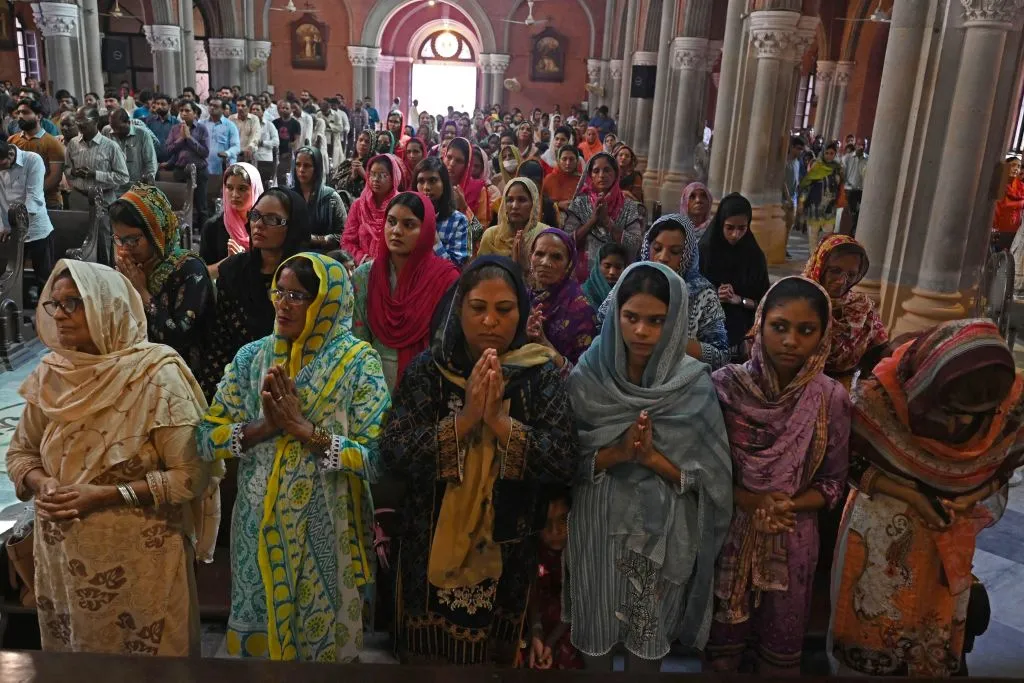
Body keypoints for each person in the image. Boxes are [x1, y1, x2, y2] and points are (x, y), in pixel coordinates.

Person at [6, 260, 220, 655]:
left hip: (140, 561)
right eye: (54, 304)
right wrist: (43, 482)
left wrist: (105, 495)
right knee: (77, 662)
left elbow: (190, 476)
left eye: (74, 303)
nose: (60, 315)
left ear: (107, 305)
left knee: (147, 664)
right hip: (65, 560)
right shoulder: (54, 372)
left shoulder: (156, 375)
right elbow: (21, 451)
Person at [380, 256, 579, 665]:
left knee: (496, 660)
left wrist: (502, 425)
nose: (491, 321)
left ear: (521, 313)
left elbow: (564, 459)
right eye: (478, 308)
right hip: (429, 543)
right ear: (459, 308)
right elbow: (393, 451)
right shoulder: (429, 371)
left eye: (504, 310)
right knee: (428, 666)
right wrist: (466, 420)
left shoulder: (537, 376)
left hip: (508, 549)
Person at [198, 252, 391, 661]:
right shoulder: (252, 358)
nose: (284, 303)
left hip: (327, 530)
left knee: (322, 651)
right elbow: (202, 438)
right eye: (280, 292)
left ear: (328, 302)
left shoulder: (359, 363)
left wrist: (307, 432)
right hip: (256, 529)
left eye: (299, 295)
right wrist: (262, 428)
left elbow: (377, 459)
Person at [829, 319, 1024, 676]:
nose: (959, 423)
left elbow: (1001, 467)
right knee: (873, 619)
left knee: (929, 624)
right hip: (881, 525)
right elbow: (848, 465)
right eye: (951, 409)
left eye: (974, 415)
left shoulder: (1009, 402)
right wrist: (913, 497)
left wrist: (971, 497)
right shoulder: (881, 398)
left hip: (947, 532)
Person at [564, 261, 733, 671]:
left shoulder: (693, 385)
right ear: (615, 315)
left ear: (675, 323)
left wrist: (655, 461)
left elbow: (712, 482)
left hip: (661, 534)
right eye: (631, 317)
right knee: (597, 638)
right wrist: (617, 454)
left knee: (647, 644)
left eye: (656, 321)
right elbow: (564, 460)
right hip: (597, 524)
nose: (641, 332)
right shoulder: (589, 376)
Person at [707, 276, 851, 674]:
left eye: (806, 331)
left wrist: (787, 503)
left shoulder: (830, 398)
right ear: (760, 324)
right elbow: (705, 472)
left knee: (778, 658)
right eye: (780, 327)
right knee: (722, 657)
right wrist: (754, 501)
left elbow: (833, 483)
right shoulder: (725, 388)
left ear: (822, 336)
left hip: (792, 536)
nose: (791, 341)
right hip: (729, 530)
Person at [196, 187, 311, 401]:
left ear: (293, 226)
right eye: (256, 215)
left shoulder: (309, 276)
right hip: (237, 383)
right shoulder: (233, 271)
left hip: (296, 390)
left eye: (272, 219)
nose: (258, 224)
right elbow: (219, 342)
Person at [352, 191, 459, 390]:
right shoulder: (365, 276)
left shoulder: (445, 279)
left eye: (409, 225)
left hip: (426, 386)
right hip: (369, 384)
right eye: (391, 222)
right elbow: (358, 340)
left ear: (426, 229)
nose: (396, 231)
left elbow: (447, 344)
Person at [110, 184, 214, 373]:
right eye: (119, 240)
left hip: (182, 374)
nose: (124, 248)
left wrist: (142, 292)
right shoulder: (131, 267)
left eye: (133, 240)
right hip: (138, 365)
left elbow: (178, 339)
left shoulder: (190, 270)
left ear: (156, 232)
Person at [802, 234, 888, 386]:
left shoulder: (861, 307)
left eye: (852, 275)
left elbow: (879, 350)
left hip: (843, 390)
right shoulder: (795, 299)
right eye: (835, 271)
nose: (842, 281)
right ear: (819, 266)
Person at [699, 193, 770, 355]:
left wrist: (739, 300)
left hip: (744, 332)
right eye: (729, 228)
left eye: (742, 228)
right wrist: (713, 295)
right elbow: (689, 293)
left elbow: (764, 302)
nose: (735, 235)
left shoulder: (754, 256)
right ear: (720, 224)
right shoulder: (705, 252)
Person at [522, 489, 582, 670]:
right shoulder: (534, 552)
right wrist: (536, 632)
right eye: (547, 523)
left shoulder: (580, 552)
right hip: (538, 623)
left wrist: (550, 642)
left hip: (572, 625)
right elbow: (532, 593)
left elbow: (575, 605)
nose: (554, 530)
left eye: (563, 520)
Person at [563, 152, 644, 281]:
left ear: (616, 173)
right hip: (582, 278)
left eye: (607, 170)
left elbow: (635, 244)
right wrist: (593, 220)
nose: (602, 175)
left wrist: (607, 222)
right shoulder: (580, 203)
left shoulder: (629, 206)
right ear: (590, 176)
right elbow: (566, 241)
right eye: (596, 171)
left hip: (617, 278)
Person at [64, 106, 130, 263]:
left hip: (103, 198)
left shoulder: (110, 146)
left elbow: (123, 177)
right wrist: (73, 173)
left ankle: (107, 271)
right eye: (77, 122)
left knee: (104, 240)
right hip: (79, 197)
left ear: (95, 122)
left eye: (84, 122)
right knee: (79, 238)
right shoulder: (73, 143)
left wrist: (95, 174)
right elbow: (66, 168)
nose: (80, 126)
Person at [526, 227, 599, 367]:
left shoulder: (580, 309)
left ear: (569, 264)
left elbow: (584, 376)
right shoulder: (523, 297)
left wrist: (544, 343)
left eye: (556, 257)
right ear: (531, 257)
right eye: (539, 254)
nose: (545, 262)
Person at [0, 140, 56, 283]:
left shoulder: (32, 160)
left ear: (11, 154)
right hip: (11, 231)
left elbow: (34, 197)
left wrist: (17, 225)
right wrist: (4, 226)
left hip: (36, 229)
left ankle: (46, 305)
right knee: (12, 278)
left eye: (3, 165)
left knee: (44, 278)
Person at [200, 162, 264, 276]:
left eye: (242, 188)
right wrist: (230, 262)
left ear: (254, 189)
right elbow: (203, 273)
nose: (235, 194)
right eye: (229, 188)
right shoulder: (213, 226)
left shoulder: (264, 225)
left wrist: (245, 259)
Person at [342, 153, 402, 265]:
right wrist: (365, 259)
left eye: (382, 175)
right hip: (362, 268)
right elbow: (347, 241)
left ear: (393, 177)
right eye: (372, 174)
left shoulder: (400, 205)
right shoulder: (359, 205)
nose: (375, 179)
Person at [478, 177, 548, 270]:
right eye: (510, 200)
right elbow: (481, 274)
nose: (514, 206)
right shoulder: (491, 236)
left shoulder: (544, 235)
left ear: (533, 203)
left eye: (522, 200)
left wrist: (525, 264)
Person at [8, 97, 65, 210]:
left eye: (25, 112)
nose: (20, 116)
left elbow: (54, 177)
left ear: (38, 116)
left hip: (48, 202)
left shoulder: (52, 143)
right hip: (18, 202)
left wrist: (31, 193)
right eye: (18, 112)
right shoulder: (11, 141)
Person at [413, 156, 471, 266]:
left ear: (444, 183)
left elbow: (457, 269)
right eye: (421, 181)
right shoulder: (410, 216)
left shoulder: (459, 221)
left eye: (432, 181)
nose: (426, 187)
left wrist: (434, 239)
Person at [163, 101, 211, 230]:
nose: (184, 113)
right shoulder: (175, 129)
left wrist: (189, 138)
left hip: (199, 170)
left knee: (201, 206)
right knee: (182, 203)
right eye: (181, 111)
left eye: (187, 111)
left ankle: (203, 233)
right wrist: (181, 139)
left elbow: (205, 152)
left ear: (195, 113)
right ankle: (183, 232)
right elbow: (168, 150)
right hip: (180, 171)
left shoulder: (202, 129)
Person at [291, 145, 347, 250]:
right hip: (292, 257)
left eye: (307, 166)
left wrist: (317, 239)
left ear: (316, 168)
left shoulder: (331, 198)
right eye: (298, 165)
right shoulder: (289, 196)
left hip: (324, 257)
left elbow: (344, 234)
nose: (301, 170)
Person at [799, 143, 844, 247]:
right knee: (813, 238)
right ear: (823, 153)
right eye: (826, 153)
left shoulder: (837, 169)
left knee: (826, 239)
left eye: (832, 153)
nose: (829, 156)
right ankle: (812, 261)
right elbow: (807, 186)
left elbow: (839, 187)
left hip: (830, 209)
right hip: (815, 208)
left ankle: (821, 260)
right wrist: (801, 202)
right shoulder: (817, 167)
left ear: (835, 154)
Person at [106, 108, 158, 190]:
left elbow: (150, 162)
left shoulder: (142, 134)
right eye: (113, 128)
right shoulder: (107, 131)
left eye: (119, 128)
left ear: (128, 123)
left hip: (136, 186)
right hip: (114, 185)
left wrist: (149, 180)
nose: (115, 131)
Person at [444, 137, 490, 223]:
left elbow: (481, 229)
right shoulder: (436, 183)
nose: (452, 163)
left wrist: (464, 207)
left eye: (459, 161)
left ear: (467, 166)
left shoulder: (478, 189)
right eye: (449, 157)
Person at [581, 241, 628, 311]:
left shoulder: (628, 294)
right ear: (598, 266)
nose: (612, 272)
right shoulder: (583, 293)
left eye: (618, 267)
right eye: (607, 266)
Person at [202, 97, 240, 179]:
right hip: (204, 166)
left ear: (223, 109)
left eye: (215, 106)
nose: (212, 108)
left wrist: (227, 153)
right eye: (210, 105)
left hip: (223, 167)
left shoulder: (230, 126)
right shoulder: (201, 124)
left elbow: (236, 147)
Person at [331, 129, 373, 202]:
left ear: (372, 145)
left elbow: (379, 189)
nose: (363, 143)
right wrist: (352, 177)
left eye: (367, 141)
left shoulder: (375, 165)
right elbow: (334, 184)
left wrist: (364, 175)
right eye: (360, 140)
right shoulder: (347, 163)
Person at [542, 146, 581, 218]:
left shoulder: (581, 181)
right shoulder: (549, 179)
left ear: (577, 161)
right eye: (564, 159)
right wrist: (558, 205)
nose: (568, 163)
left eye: (571, 159)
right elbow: (541, 202)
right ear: (558, 160)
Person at [995, 153, 1023, 251]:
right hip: (998, 227)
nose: (1016, 169)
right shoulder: (1000, 184)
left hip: (1014, 229)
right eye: (1013, 165)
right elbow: (1003, 204)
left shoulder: (1020, 187)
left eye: (1018, 166)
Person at [248, 101, 279, 188]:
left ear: (263, 112)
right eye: (253, 109)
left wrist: (262, 142)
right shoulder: (247, 125)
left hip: (264, 160)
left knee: (264, 186)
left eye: (257, 109)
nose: (254, 111)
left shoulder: (269, 125)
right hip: (250, 160)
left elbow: (276, 142)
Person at [272, 99, 303, 188]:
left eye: (286, 108)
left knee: (285, 177)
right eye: (282, 108)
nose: (284, 110)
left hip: (288, 154)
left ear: (291, 110)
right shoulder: (275, 122)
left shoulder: (296, 123)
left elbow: (297, 141)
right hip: (276, 153)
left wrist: (290, 151)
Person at [143, 93, 178, 157]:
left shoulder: (176, 123)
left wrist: (169, 163)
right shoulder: (150, 122)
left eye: (163, 104)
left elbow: (178, 146)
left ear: (169, 106)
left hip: (172, 163)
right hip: (154, 161)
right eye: (157, 104)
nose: (159, 106)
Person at [229, 98, 262, 164]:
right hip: (234, 154)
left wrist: (250, 146)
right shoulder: (231, 118)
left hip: (249, 154)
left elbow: (256, 135)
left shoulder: (254, 119)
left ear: (248, 107)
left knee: (250, 173)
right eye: (238, 105)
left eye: (243, 106)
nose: (240, 108)